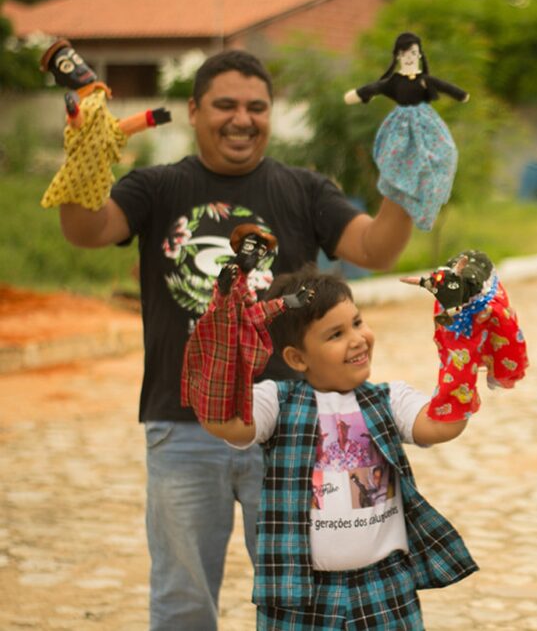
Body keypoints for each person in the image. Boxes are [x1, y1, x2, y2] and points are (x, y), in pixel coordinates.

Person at [56, 49, 415, 631]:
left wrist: (408, 172)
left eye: (256, 107)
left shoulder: (303, 190)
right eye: (225, 105)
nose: (241, 119)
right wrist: (84, 157)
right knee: (182, 598)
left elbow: (377, 249)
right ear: (194, 110)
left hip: (291, 429)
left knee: (303, 594)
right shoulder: (156, 187)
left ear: (271, 114)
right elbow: (85, 230)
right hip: (181, 425)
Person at [194, 266, 477, 629]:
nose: (357, 339)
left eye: (358, 322)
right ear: (297, 358)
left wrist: (459, 329)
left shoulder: (389, 399)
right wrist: (222, 338)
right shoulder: (276, 402)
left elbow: (444, 423)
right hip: (299, 593)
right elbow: (224, 421)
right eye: (336, 334)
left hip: (385, 585)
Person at [344, 32, 469, 231]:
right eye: (404, 53)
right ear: (398, 56)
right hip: (400, 126)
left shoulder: (424, 80)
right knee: (398, 156)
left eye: (412, 52)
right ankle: (403, 194)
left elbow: (444, 86)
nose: (409, 56)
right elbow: (376, 87)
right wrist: (359, 94)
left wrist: (460, 95)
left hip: (427, 123)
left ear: (419, 54)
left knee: (446, 152)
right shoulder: (393, 82)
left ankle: (426, 196)